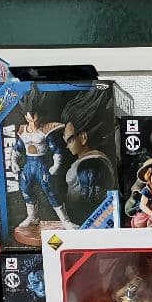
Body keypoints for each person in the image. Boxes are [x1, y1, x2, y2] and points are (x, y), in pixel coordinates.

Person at [11, 86, 74, 230]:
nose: (33, 121)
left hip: (41, 165)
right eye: (30, 118)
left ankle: (65, 221)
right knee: (25, 190)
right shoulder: (23, 131)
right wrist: (13, 162)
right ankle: (32, 217)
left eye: (35, 118)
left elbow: (56, 150)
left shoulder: (45, 131)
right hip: (28, 165)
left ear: (40, 116)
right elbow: (17, 148)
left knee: (50, 192)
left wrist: (56, 165)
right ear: (26, 117)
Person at [60, 89, 117, 223]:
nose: (67, 146)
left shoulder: (91, 165)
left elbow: (90, 206)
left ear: (83, 137)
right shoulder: (96, 160)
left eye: (70, 140)